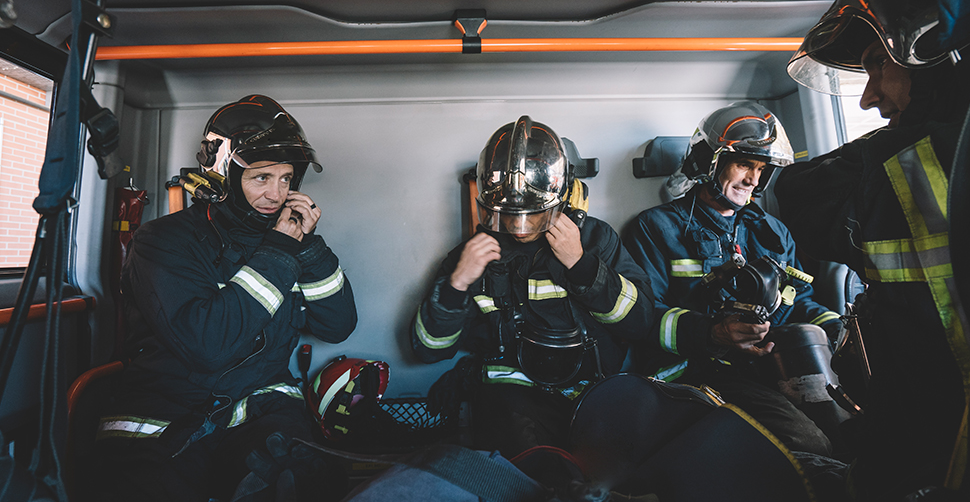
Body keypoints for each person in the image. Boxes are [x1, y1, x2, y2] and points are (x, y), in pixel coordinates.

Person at [776, 0, 970, 499]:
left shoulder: (905, 164)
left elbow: (801, 193)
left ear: (933, 56)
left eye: (875, 68)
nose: (867, 98)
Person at [92, 95, 357, 501]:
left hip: (261, 412)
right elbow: (208, 347)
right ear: (222, 175)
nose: (276, 194)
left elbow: (337, 326)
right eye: (261, 177)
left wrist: (308, 249)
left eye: (287, 178)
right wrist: (280, 253)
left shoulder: (290, 242)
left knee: (305, 481)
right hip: (164, 420)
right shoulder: (163, 242)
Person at [411, 115, 654, 458]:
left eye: (533, 213)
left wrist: (583, 266)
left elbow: (641, 322)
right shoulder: (470, 256)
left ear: (564, 197)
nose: (519, 227)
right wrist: (457, 284)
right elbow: (427, 349)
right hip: (508, 404)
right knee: (534, 472)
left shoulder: (596, 240)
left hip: (592, 397)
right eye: (508, 213)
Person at [623, 101, 845, 458]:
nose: (753, 180)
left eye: (761, 169)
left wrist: (836, 329)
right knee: (809, 445)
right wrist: (713, 333)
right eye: (744, 164)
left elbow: (796, 300)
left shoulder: (772, 232)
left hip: (774, 363)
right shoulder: (656, 229)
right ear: (707, 161)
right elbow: (644, 318)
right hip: (696, 372)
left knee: (848, 428)